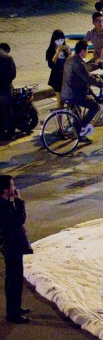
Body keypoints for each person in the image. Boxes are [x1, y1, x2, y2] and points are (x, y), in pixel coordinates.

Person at [1, 175, 33, 324]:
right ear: (5, 190)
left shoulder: (4, 203)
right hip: (11, 246)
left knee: (16, 278)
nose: (15, 188)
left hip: (11, 245)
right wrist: (19, 201)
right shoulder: (3, 206)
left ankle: (16, 308)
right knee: (14, 280)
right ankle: (13, 314)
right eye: (12, 186)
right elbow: (19, 220)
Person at [61, 40, 103, 142]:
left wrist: (95, 69)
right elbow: (87, 78)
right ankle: (79, 129)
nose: (87, 53)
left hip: (67, 92)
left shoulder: (70, 60)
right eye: (86, 50)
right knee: (95, 107)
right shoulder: (78, 63)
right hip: (74, 94)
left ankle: (78, 134)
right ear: (82, 51)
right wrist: (102, 82)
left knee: (78, 112)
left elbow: (84, 71)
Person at [45, 30, 72, 108]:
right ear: (54, 40)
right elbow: (51, 65)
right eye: (58, 39)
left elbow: (70, 62)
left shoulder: (65, 49)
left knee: (72, 101)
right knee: (60, 103)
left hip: (66, 76)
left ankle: (72, 117)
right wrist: (56, 53)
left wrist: (69, 53)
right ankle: (59, 119)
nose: (60, 41)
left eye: (62, 39)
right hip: (57, 77)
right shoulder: (50, 51)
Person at [0, 43, 14, 140]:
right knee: (8, 112)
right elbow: (13, 74)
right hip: (5, 88)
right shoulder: (7, 57)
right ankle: (9, 134)